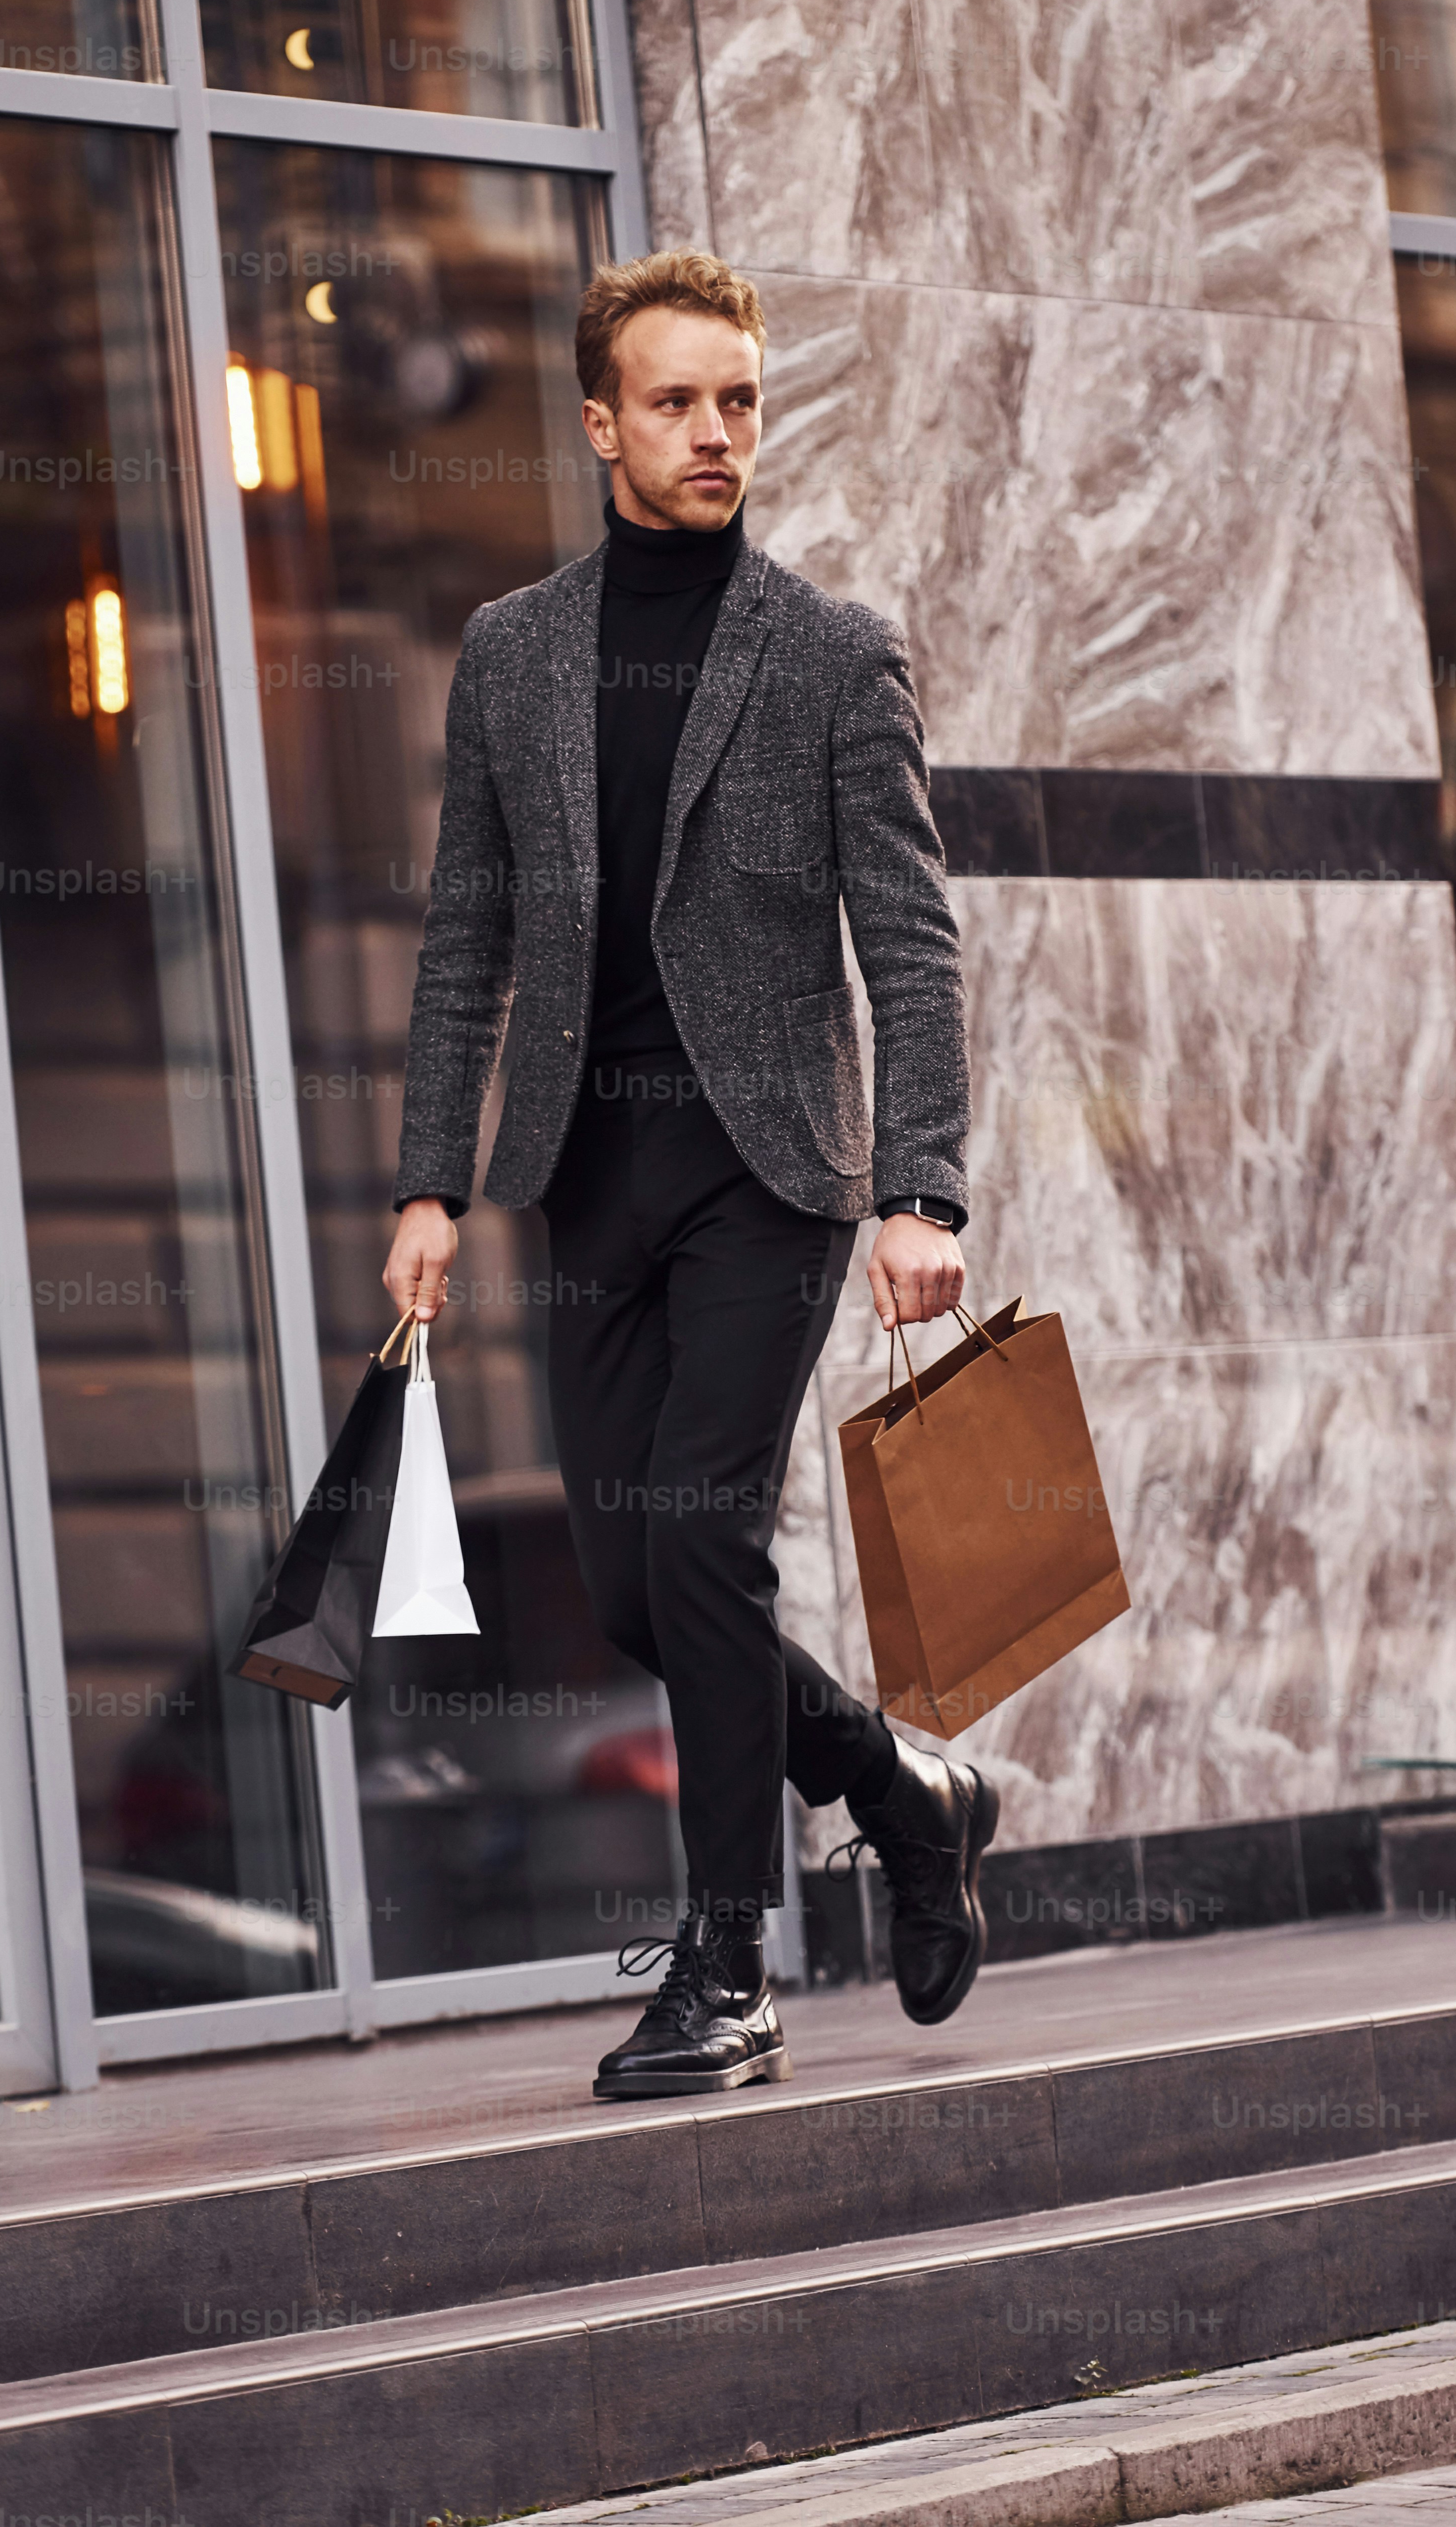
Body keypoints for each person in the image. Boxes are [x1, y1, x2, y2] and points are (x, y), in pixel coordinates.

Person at [383, 249, 996, 2101]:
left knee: (709, 1536)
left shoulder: (829, 652)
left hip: (765, 1175)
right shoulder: (512, 652)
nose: (716, 432)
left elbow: (910, 941)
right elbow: (462, 933)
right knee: (644, 1591)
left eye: (737, 400)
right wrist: (431, 1182)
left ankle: (726, 1966)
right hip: (588, 1179)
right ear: (599, 424)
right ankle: (908, 1792)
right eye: (675, 402)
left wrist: (923, 1190)